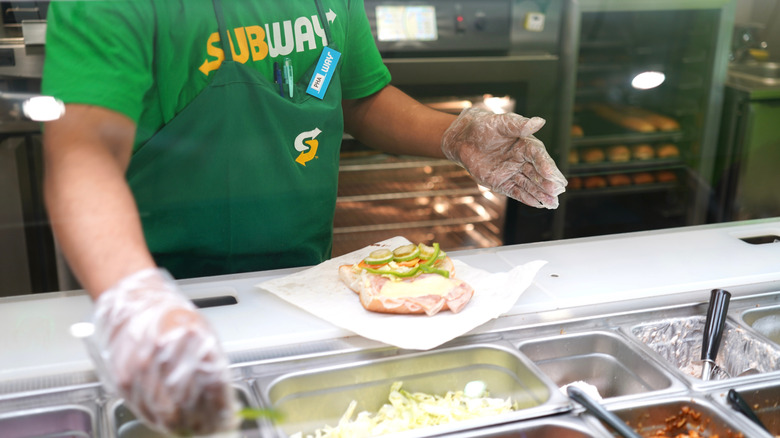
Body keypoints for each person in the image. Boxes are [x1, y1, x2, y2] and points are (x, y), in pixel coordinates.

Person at [41, 0, 567, 435]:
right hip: (168, 301)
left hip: (304, 288)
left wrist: (454, 135)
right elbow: (81, 155)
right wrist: (134, 300)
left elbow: (360, 97)